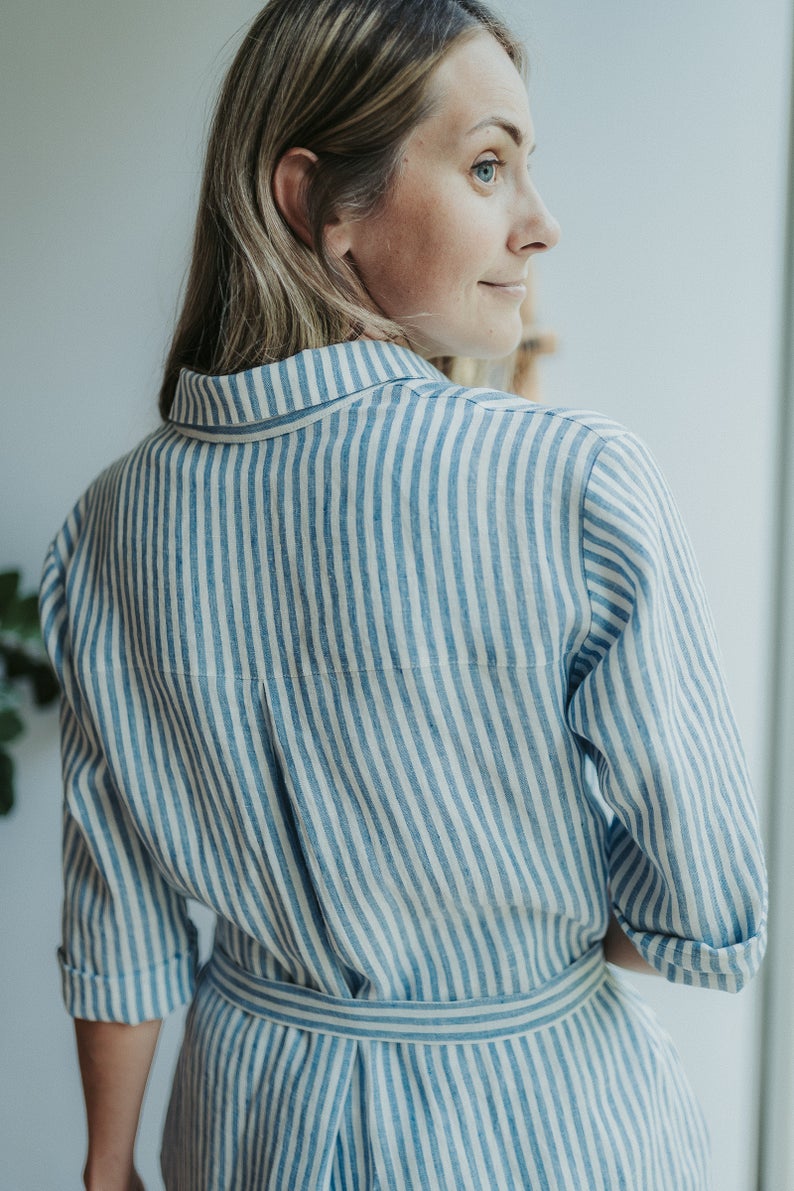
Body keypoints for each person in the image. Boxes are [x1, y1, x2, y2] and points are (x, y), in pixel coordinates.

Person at [39, 1, 768, 1188]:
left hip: (246, 1126)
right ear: (317, 206)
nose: (540, 227)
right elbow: (706, 905)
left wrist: (107, 1162)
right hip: (542, 1130)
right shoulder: (572, 480)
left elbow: (118, 908)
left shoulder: (110, 526)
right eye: (489, 165)